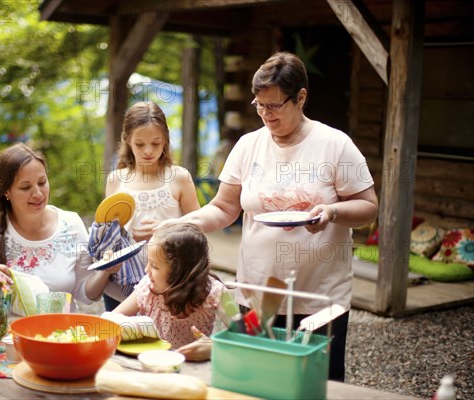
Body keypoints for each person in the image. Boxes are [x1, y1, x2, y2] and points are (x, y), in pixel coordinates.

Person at [163, 52, 379, 381]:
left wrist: (332, 211)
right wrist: (184, 223)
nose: (265, 114)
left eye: (275, 106)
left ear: (301, 98)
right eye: (259, 105)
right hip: (258, 295)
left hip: (319, 297)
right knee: (258, 378)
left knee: (317, 381)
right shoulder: (249, 145)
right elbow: (224, 208)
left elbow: (368, 206)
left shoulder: (335, 145)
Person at [0, 143, 118, 309]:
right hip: (3, 335)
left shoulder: (71, 224)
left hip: (59, 335)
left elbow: (85, 294)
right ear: (6, 191)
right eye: (25, 187)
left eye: (42, 182)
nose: (38, 193)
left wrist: (105, 271)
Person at [100, 101, 201, 310]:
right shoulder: (116, 180)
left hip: (168, 283)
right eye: (139, 144)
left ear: (165, 140)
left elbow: (198, 230)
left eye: (156, 143)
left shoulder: (179, 177)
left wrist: (167, 229)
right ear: (127, 140)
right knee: (119, 336)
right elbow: (108, 232)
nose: (148, 151)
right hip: (120, 284)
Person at [110, 223, 225, 352]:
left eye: (155, 266)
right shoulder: (148, 288)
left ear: (181, 272)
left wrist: (213, 346)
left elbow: (241, 335)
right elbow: (110, 320)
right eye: (148, 262)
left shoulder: (214, 294)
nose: (146, 270)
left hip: (194, 367)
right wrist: (136, 327)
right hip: (153, 362)